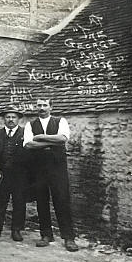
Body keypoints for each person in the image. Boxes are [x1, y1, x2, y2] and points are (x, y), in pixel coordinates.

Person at [23, 98, 78, 252]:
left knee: (62, 200)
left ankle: (68, 237)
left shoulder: (61, 121)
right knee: (41, 201)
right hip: (38, 167)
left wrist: (40, 137)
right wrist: (52, 142)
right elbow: (28, 144)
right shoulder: (30, 124)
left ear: (51, 107)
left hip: (57, 167)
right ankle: (46, 235)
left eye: (44, 105)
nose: (41, 108)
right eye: (39, 105)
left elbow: (63, 139)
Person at [0, 107, 28, 242]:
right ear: (4, 119)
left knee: (19, 202)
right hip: (1, 176)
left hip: (19, 176)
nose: (10, 120)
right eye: (8, 117)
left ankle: (16, 230)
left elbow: (32, 156)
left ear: (19, 119)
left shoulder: (26, 135)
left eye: (13, 117)